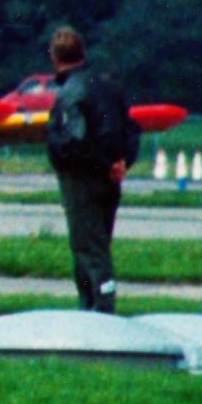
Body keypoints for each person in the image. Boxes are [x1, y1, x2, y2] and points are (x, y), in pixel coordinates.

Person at [43, 28, 140, 313]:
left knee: (88, 247)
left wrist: (104, 164)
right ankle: (87, 305)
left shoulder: (71, 93)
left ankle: (102, 307)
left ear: (55, 57)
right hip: (111, 177)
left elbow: (73, 141)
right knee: (96, 244)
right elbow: (132, 129)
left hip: (82, 179)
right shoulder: (110, 87)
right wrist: (122, 163)